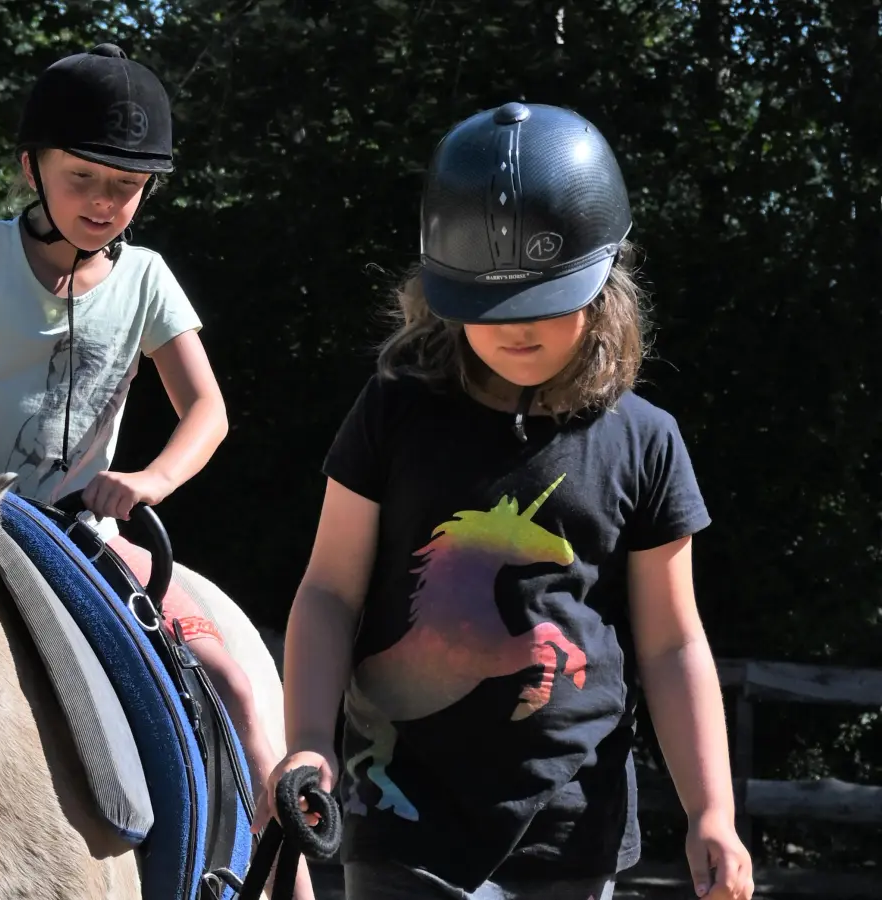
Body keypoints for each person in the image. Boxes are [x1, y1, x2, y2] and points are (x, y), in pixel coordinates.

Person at [0, 42, 312, 898]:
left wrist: (148, 482)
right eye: (84, 179)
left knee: (235, 681)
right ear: (31, 168)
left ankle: (273, 859)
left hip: (83, 533)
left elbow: (208, 412)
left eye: (127, 186)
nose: (105, 203)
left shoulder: (147, 280)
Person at [264, 102, 754, 900]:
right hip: (402, 816)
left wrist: (713, 810)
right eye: (488, 307)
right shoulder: (394, 410)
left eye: (543, 301)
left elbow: (671, 644)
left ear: (605, 281)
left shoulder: (647, 440)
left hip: (573, 827)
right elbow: (327, 590)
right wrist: (309, 740)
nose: (514, 329)